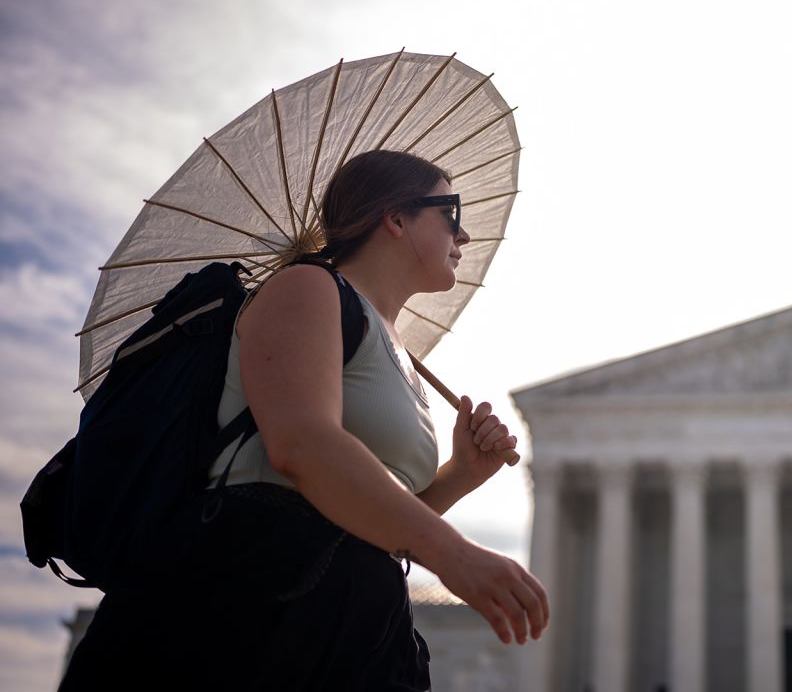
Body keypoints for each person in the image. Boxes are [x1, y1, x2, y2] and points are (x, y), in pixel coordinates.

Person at [60, 150, 548, 691]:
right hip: (249, 602)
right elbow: (303, 447)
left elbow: (371, 524)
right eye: (451, 213)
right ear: (396, 217)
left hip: (357, 623)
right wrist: (453, 554)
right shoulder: (307, 288)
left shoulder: (400, 357)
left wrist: (459, 474)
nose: (465, 236)